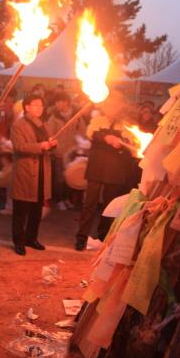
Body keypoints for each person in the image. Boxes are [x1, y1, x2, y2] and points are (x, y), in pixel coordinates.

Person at [75, 91, 134, 250]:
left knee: (110, 206)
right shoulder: (98, 120)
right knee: (89, 204)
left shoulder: (125, 125)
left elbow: (132, 145)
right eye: (110, 105)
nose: (112, 108)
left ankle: (103, 237)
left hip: (115, 169)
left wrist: (123, 144)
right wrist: (106, 138)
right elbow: (91, 133)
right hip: (97, 167)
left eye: (116, 105)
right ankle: (81, 237)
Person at [10, 94, 57, 256]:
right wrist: (41, 146)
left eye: (41, 105)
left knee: (37, 209)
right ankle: (18, 241)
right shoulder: (18, 125)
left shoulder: (43, 124)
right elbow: (19, 146)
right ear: (27, 107)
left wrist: (51, 144)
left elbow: (47, 145)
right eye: (35, 105)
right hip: (26, 171)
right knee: (21, 210)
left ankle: (31, 238)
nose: (39, 108)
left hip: (41, 170)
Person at [45, 92, 86, 210]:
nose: (57, 104)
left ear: (66, 102)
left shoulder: (77, 117)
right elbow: (50, 133)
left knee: (70, 177)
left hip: (73, 153)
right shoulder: (54, 117)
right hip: (59, 153)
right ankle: (60, 200)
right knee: (59, 178)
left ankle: (67, 199)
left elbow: (82, 132)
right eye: (56, 102)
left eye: (59, 101)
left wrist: (80, 144)